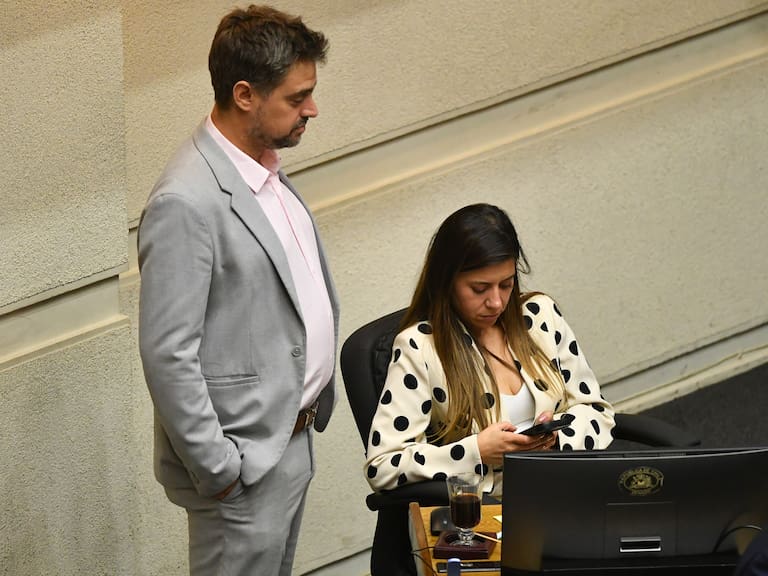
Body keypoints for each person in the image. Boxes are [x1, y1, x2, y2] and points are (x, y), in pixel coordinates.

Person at [137, 6, 338, 576]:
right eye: (297, 97)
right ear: (245, 94)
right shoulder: (184, 202)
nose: (312, 109)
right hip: (243, 470)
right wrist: (219, 468)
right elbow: (168, 354)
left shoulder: (262, 169)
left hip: (289, 442)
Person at [365, 203, 614, 497]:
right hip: (491, 508)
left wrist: (558, 438)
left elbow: (597, 412)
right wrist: (477, 451)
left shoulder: (540, 316)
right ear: (446, 282)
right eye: (479, 289)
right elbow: (383, 465)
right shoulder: (420, 348)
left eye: (506, 285)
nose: (496, 302)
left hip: (569, 488)